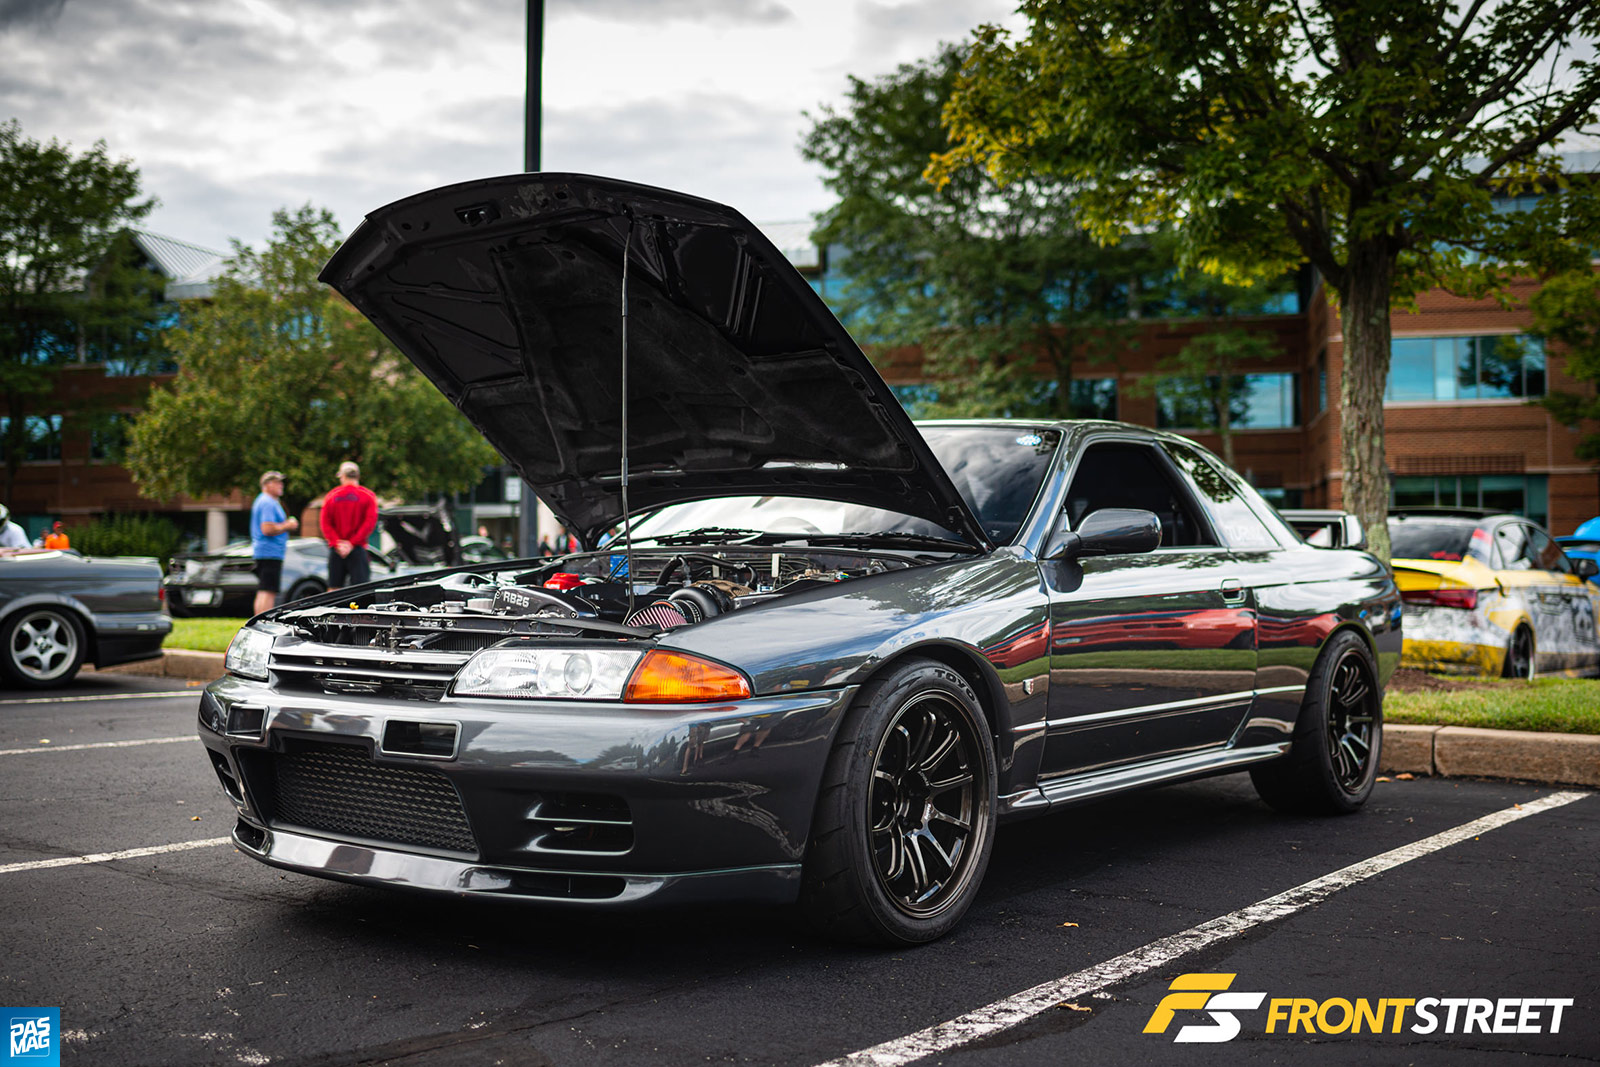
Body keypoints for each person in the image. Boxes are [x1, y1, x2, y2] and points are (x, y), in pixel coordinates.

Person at [319, 460, 379, 590]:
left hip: (337, 550)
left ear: (342, 476)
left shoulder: (331, 497)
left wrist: (337, 543)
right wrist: (352, 543)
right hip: (357, 549)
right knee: (361, 590)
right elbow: (369, 523)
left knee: (334, 590)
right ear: (357, 476)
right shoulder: (368, 496)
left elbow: (325, 523)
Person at [251, 470, 298, 615]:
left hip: (266, 552)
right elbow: (267, 528)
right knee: (268, 590)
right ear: (267, 484)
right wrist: (288, 525)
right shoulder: (268, 502)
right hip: (269, 552)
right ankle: (263, 622)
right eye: (277, 482)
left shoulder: (265, 501)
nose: (281, 485)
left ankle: (259, 620)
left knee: (264, 589)